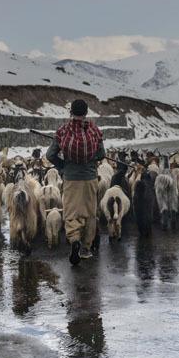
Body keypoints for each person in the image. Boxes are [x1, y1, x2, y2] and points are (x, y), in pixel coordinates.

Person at [46, 99, 106, 265]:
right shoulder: (94, 130)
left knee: (72, 212)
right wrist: (91, 159)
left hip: (71, 179)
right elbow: (102, 154)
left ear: (71, 112)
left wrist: (63, 167)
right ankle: (86, 248)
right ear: (86, 113)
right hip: (90, 178)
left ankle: (74, 241)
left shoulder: (64, 131)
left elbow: (50, 155)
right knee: (89, 213)